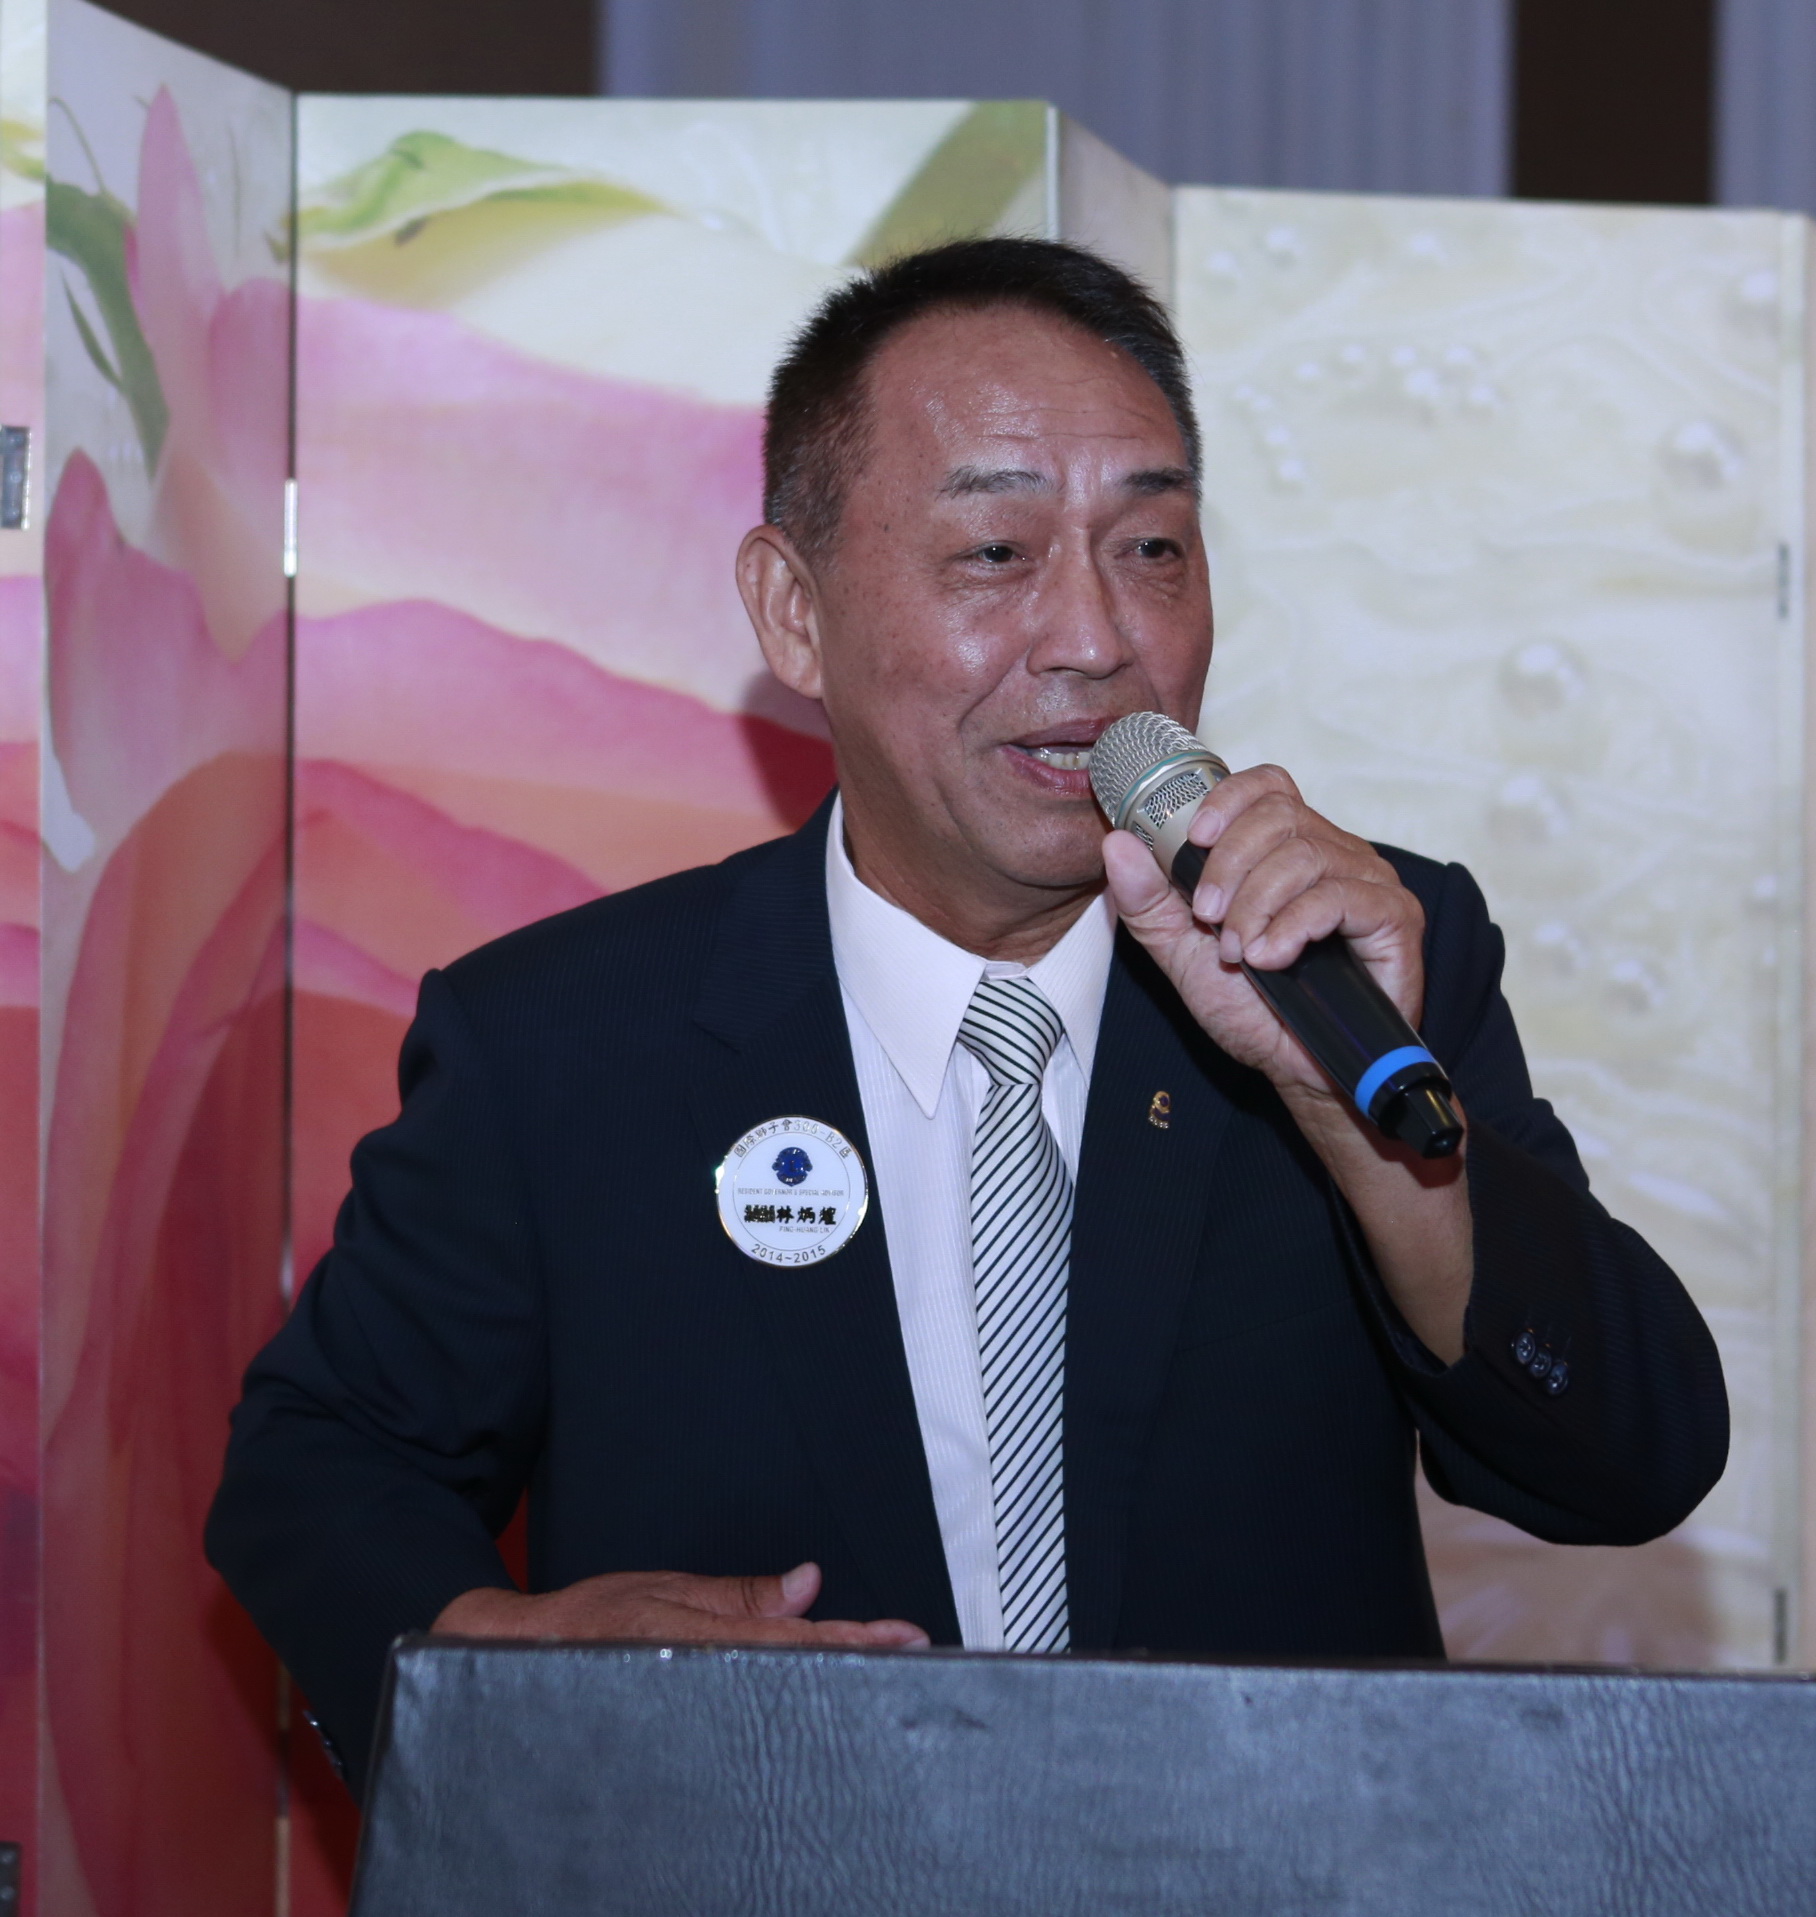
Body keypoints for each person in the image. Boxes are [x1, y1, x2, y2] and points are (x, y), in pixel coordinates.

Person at [207, 238, 1728, 1796]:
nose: (1096, 638)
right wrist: (495, 1653)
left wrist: (1352, 1123)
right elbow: (318, 1463)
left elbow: (1635, 1456)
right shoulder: (567, 1044)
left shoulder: (1352, 963)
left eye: (1153, 546)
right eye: (997, 550)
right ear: (794, 612)